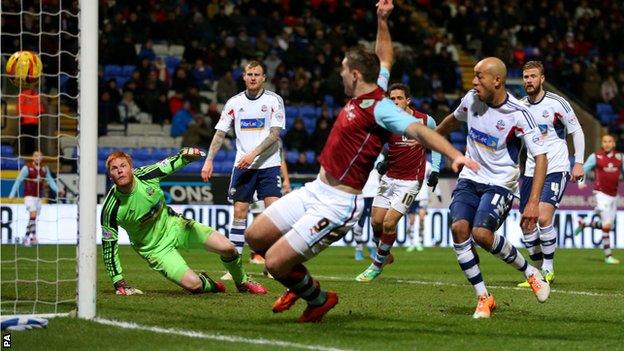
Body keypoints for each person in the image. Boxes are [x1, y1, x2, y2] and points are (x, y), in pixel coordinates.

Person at [244, 0, 478, 323]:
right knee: (255, 237)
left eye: (343, 69)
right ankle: (300, 283)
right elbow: (385, 57)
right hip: (316, 189)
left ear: (354, 75)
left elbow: (420, 131)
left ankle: (319, 298)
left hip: (339, 203)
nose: (339, 74)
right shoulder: (369, 91)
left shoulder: (381, 108)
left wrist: (455, 155)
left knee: (273, 263)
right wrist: (382, 20)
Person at [436, 56, 551, 319]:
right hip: (469, 178)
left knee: (481, 234)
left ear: (497, 80)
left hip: (500, 182)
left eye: (479, 76)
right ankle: (483, 297)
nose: (474, 81)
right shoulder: (471, 99)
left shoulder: (519, 114)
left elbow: (541, 157)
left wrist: (532, 202)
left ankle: (530, 272)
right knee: (458, 229)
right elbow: (453, 120)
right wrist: (428, 136)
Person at [100, 148, 267, 295]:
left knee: (228, 248)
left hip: (176, 226)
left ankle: (243, 282)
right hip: (155, 249)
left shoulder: (145, 175)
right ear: (110, 176)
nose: (120, 171)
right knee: (194, 286)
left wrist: (187, 156)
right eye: (114, 169)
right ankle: (208, 284)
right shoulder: (110, 208)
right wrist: (118, 281)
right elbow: (109, 247)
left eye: (123, 166)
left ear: (131, 168)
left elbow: (168, 164)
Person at [201, 60, 286, 279]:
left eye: (257, 74)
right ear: (244, 76)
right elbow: (219, 134)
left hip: (268, 165)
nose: (253, 78)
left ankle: (272, 265)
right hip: (243, 166)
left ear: (264, 77)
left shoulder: (274, 101)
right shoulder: (233, 103)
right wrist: (209, 160)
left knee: (273, 216)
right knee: (239, 214)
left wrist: (253, 154)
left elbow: (275, 134)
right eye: (249, 74)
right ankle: (235, 267)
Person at [355, 83, 442, 282]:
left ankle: (376, 265)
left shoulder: (424, 120)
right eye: (392, 99)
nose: (395, 102)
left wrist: (435, 170)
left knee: (388, 222)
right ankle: (384, 254)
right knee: (375, 221)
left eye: (399, 98)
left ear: (408, 100)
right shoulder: (388, 122)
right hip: (390, 178)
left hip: (411, 181)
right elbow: (383, 145)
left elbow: (436, 144)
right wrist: (383, 162)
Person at [516, 61, 585, 288]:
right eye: (525, 77)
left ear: (542, 78)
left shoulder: (557, 103)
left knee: (544, 217)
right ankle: (535, 274)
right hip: (530, 172)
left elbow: (576, 131)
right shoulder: (520, 107)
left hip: (556, 167)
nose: (529, 81)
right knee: (527, 223)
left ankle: (548, 268)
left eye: (533, 76)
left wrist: (579, 162)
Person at [575, 134, 622, 264]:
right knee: (606, 225)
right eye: (605, 141)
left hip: (614, 195)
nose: (607, 144)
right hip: (601, 193)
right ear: (602, 143)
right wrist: (580, 182)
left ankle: (585, 223)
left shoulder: (620, 157)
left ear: (614, 143)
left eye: (610, 141)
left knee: (608, 226)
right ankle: (608, 256)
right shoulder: (596, 156)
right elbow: (583, 169)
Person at [9, 151, 64, 246]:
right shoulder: (27, 168)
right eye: (36, 156)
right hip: (29, 196)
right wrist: (12, 194)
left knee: (33, 218)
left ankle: (33, 237)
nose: (38, 158)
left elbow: (51, 181)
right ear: (33, 157)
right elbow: (18, 181)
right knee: (33, 215)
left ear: (42, 158)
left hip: (38, 197)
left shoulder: (44, 169)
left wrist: (58, 190)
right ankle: (26, 238)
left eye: (40, 156)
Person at [353, 153, 385, 261]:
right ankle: (358, 249)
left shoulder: (380, 156)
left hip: (375, 193)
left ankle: (373, 248)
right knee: (360, 222)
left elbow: (382, 174)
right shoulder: (359, 153)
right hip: (362, 193)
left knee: (375, 222)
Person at [406, 160, 442, 252]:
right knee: (411, 220)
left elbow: (433, 179)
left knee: (422, 219)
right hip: (412, 194)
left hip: (423, 195)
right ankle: (411, 242)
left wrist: (438, 193)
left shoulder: (428, 165)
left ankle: (419, 241)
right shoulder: (410, 162)